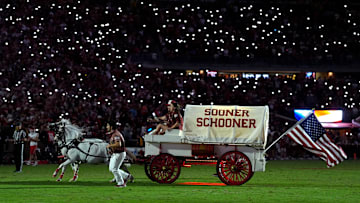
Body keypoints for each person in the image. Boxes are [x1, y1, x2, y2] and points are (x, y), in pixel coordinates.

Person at [106, 121, 133, 188]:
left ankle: (121, 183)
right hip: (116, 153)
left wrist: (110, 146)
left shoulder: (116, 135)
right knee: (111, 169)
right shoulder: (115, 133)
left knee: (114, 169)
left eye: (107, 125)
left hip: (119, 154)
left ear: (111, 127)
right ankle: (126, 176)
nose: (106, 127)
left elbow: (118, 144)